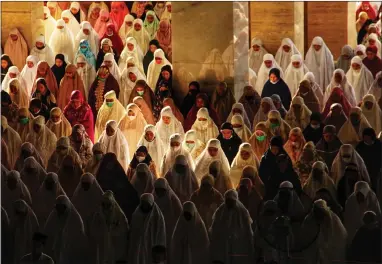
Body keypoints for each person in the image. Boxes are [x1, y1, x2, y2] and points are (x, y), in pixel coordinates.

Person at [209, 189, 254, 264]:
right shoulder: (220, 211)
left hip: (238, 245)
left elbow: (248, 230)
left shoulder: (243, 212)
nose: (229, 203)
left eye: (231, 201)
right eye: (227, 200)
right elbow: (215, 228)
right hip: (224, 245)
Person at [43, 195, 88, 263]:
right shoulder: (53, 217)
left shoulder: (76, 219)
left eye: (62, 208)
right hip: (54, 254)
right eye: (58, 208)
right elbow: (47, 233)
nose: (60, 210)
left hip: (71, 254)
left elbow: (79, 240)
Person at [88, 190, 129, 264]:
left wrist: (112, 232)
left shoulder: (119, 215)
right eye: (104, 204)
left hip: (115, 248)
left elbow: (124, 230)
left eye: (108, 204)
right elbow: (93, 230)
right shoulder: (98, 215)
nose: (106, 207)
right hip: (101, 247)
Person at [302, 199, 347, 264]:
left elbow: (340, 238)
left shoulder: (333, 219)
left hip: (331, 252)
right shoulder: (309, 220)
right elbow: (307, 238)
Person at [128, 193, 166, 264]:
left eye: (147, 204)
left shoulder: (157, 216)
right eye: (143, 203)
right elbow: (133, 233)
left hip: (152, 246)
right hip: (138, 247)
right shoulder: (136, 215)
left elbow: (161, 235)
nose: (145, 206)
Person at [153, 178, 182, 254]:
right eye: (157, 190)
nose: (159, 192)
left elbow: (180, 215)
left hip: (170, 230)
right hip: (156, 228)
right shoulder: (153, 199)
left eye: (162, 190)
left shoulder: (173, 200)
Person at [9, 200, 39, 264]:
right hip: (17, 248)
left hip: (29, 248)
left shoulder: (32, 219)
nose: (20, 216)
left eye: (21, 213)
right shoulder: (15, 218)